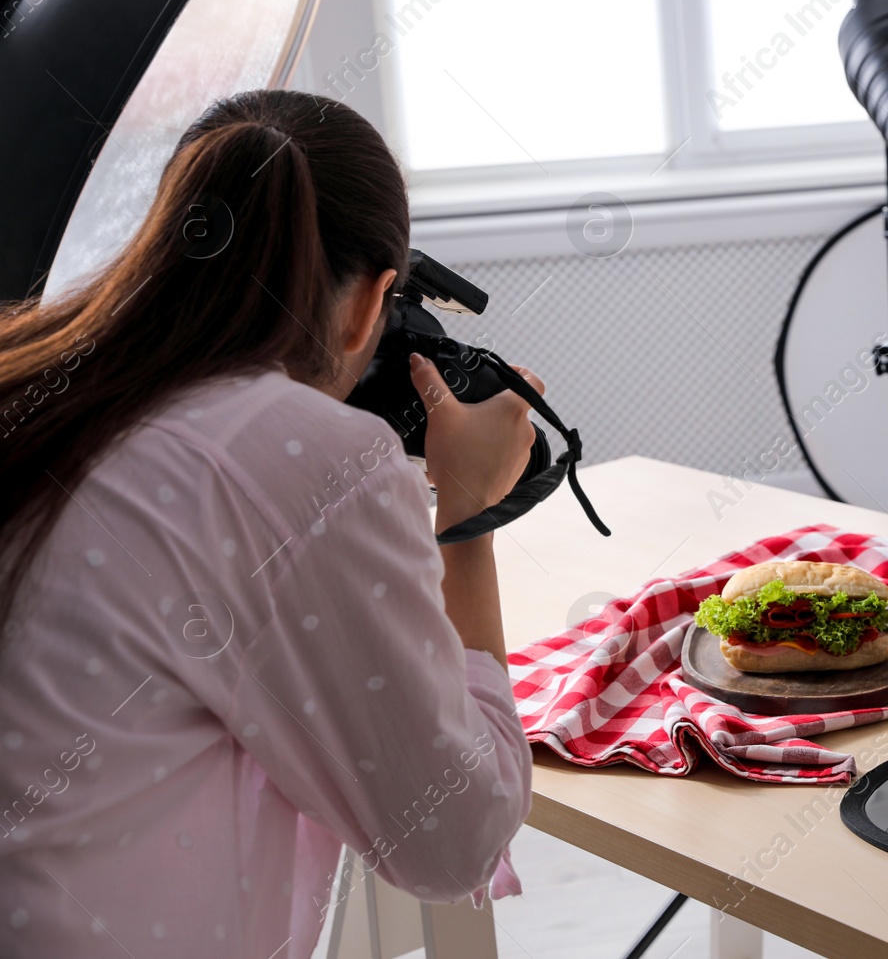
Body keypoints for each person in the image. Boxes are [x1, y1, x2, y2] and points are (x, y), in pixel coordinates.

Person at [0, 90, 537, 958]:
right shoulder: (306, 458)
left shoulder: (35, 386)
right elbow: (452, 836)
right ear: (372, 303)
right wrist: (468, 512)